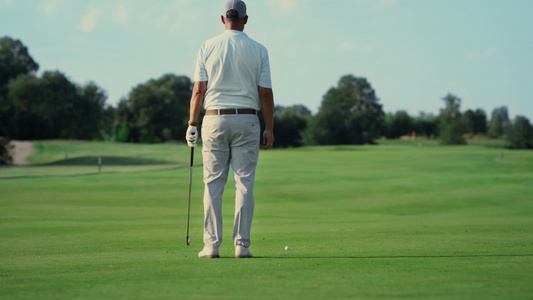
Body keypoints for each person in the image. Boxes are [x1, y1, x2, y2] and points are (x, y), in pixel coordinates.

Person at [185, 0, 275, 259]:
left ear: (222, 19)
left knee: (213, 183)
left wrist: (192, 123)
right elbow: (266, 94)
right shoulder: (259, 49)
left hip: (214, 119)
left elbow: (198, 90)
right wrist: (269, 127)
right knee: (244, 183)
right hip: (247, 119)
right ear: (245, 20)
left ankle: (211, 246)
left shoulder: (207, 46)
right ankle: (241, 246)